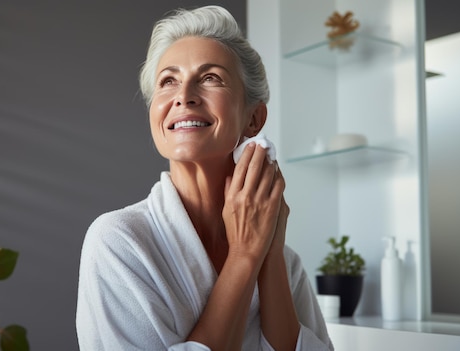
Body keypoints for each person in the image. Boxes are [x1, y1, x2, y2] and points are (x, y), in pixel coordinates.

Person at [76, 5, 334, 351]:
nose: (183, 96)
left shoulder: (286, 262)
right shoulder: (119, 241)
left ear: (253, 119)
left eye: (210, 77)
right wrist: (244, 255)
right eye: (168, 81)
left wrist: (268, 253)